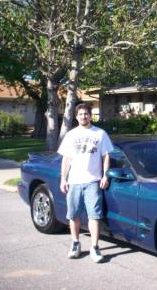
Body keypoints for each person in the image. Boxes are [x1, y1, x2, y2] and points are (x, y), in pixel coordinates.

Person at [57, 103, 113, 262]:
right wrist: (63, 178)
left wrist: (105, 176)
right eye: (80, 114)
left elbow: (106, 156)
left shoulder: (100, 134)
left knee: (94, 216)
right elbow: (66, 159)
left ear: (90, 115)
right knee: (73, 215)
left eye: (86, 114)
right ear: (76, 117)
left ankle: (95, 248)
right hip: (74, 181)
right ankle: (75, 243)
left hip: (93, 182)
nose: (84, 117)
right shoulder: (71, 135)